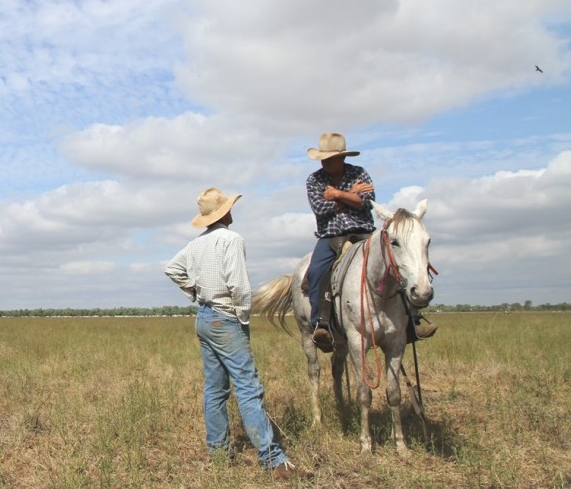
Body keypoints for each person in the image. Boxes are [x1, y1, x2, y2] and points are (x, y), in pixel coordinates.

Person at [165, 187, 309, 481]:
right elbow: (239, 286)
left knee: (215, 389)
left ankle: (218, 453)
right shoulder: (232, 239)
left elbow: (172, 268)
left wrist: (192, 290)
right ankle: (273, 460)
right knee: (248, 388)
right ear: (225, 212)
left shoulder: (196, 244)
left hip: (204, 317)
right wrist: (242, 315)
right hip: (226, 318)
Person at [304, 132, 437, 347]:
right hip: (331, 235)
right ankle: (321, 323)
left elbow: (366, 203)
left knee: (396, 263)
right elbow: (321, 209)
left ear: (342, 157)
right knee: (317, 271)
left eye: (329, 158)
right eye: (323, 158)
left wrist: (336, 195)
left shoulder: (360, 173)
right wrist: (350, 194)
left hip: (364, 231)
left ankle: (412, 320)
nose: (325, 162)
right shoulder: (314, 179)